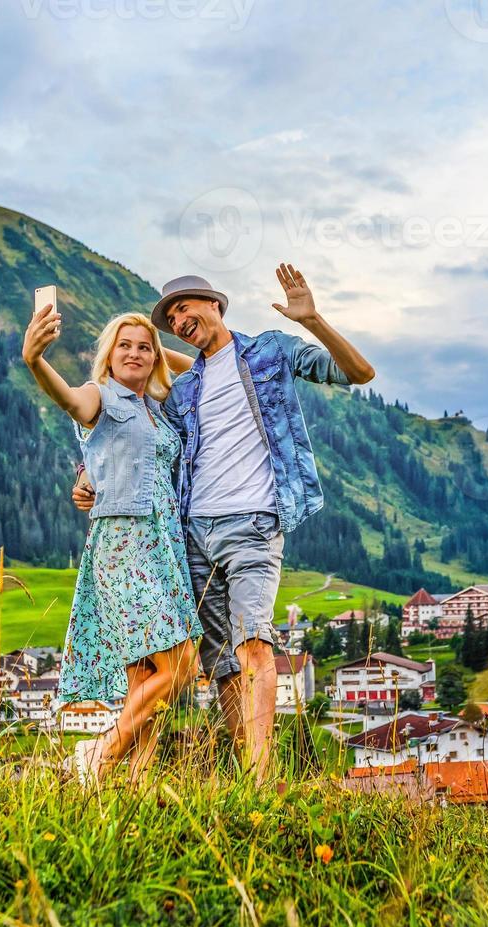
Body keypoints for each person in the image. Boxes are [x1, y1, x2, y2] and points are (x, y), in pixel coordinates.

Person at [76, 263, 374, 781]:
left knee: (254, 644)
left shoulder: (270, 352)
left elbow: (358, 373)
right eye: (170, 317)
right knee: (219, 667)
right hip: (191, 535)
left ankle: (261, 782)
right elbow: (135, 440)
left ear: (214, 303)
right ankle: (242, 781)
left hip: (254, 525)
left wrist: (314, 319)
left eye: (184, 308)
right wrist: (87, 475)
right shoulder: (185, 389)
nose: (178, 319)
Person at [22, 305, 202, 780]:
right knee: (181, 664)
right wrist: (35, 360)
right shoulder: (99, 396)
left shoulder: (157, 406)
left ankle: (133, 785)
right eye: (124, 345)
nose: (135, 353)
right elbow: (68, 401)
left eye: (144, 346)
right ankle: (97, 755)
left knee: (146, 675)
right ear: (108, 354)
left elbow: (199, 364)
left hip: (165, 546)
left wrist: (161, 356)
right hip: (123, 544)